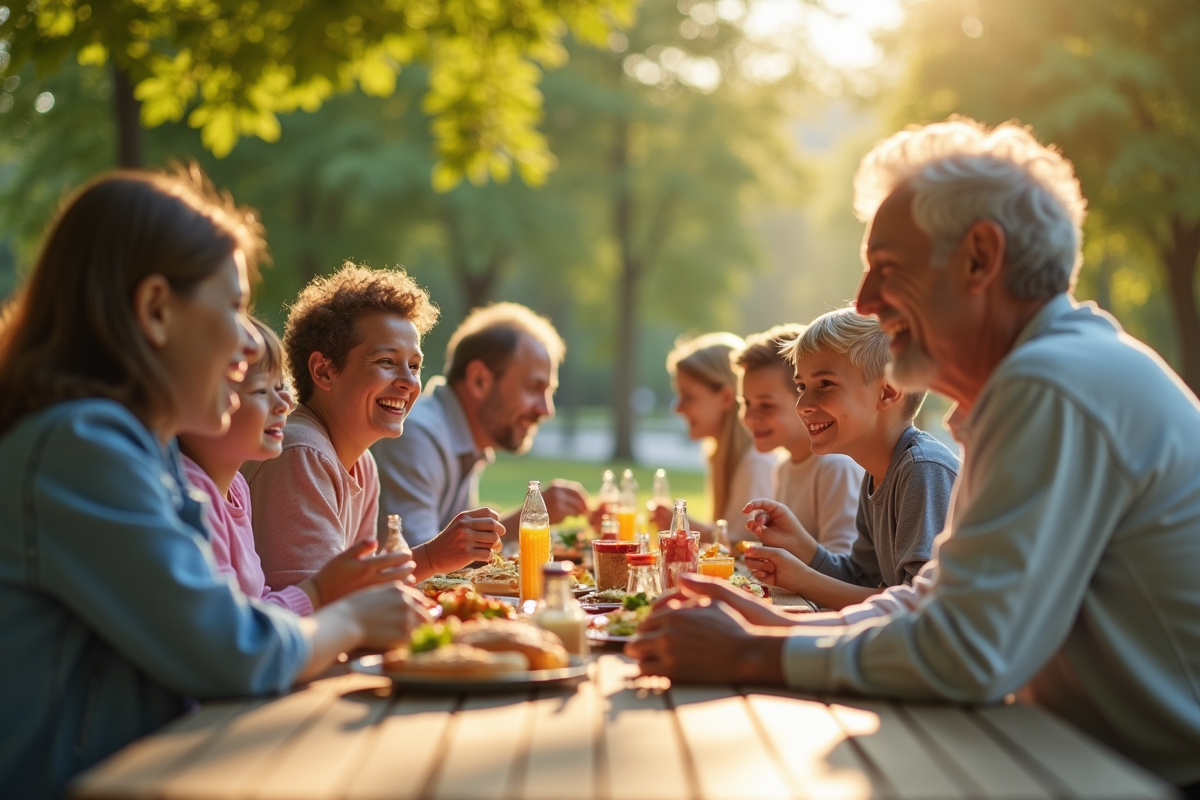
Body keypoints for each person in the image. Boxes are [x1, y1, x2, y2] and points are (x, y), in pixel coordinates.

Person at [627, 118, 1200, 792]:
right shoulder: (1044, 380)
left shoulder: (1052, 385)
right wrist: (773, 626)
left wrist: (753, 655)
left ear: (979, 259)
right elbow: (927, 600)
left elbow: (965, 652)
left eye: (887, 269)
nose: (866, 299)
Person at [0, 170, 429, 797]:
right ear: (154, 310)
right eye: (231, 307)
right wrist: (351, 620)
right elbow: (229, 647)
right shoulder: (81, 446)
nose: (243, 346)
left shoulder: (140, 452)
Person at [245, 264, 505, 587]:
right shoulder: (302, 453)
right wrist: (432, 557)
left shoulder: (363, 464)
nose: (409, 382)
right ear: (324, 371)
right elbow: (321, 605)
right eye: (386, 362)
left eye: (414, 366)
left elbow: (362, 592)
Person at [179, 317, 415, 614]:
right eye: (261, 390)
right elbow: (229, 630)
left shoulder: (236, 489)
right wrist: (319, 593)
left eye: (281, 387)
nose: (286, 402)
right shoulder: (192, 496)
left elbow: (259, 601)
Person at [741, 308, 959, 610]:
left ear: (887, 392)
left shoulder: (922, 470)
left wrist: (803, 580)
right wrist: (801, 545)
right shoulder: (876, 472)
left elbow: (917, 606)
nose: (802, 404)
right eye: (802, 387)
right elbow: (861, 578)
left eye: (825, 384)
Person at [372, 302, 589, 547]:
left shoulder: (465, 440)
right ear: (479, 380)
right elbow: (416, 564)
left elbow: (452, 550)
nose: (546, 410)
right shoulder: (416, 436)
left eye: (549, 392)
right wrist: (528, 520)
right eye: (533, 388)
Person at [732, 324, 863, 555]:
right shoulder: (783, 467)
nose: (751, 417)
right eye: (746, 403)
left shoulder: (835, 467)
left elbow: (844, 562)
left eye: (767, 405)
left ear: (804, 399)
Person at [652, 332, 779, 541]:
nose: (677, 408)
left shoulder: (756, 464)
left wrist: (685, 526)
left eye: (688, 396)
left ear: (726, 397)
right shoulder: (724, 457)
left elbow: (747, 547)